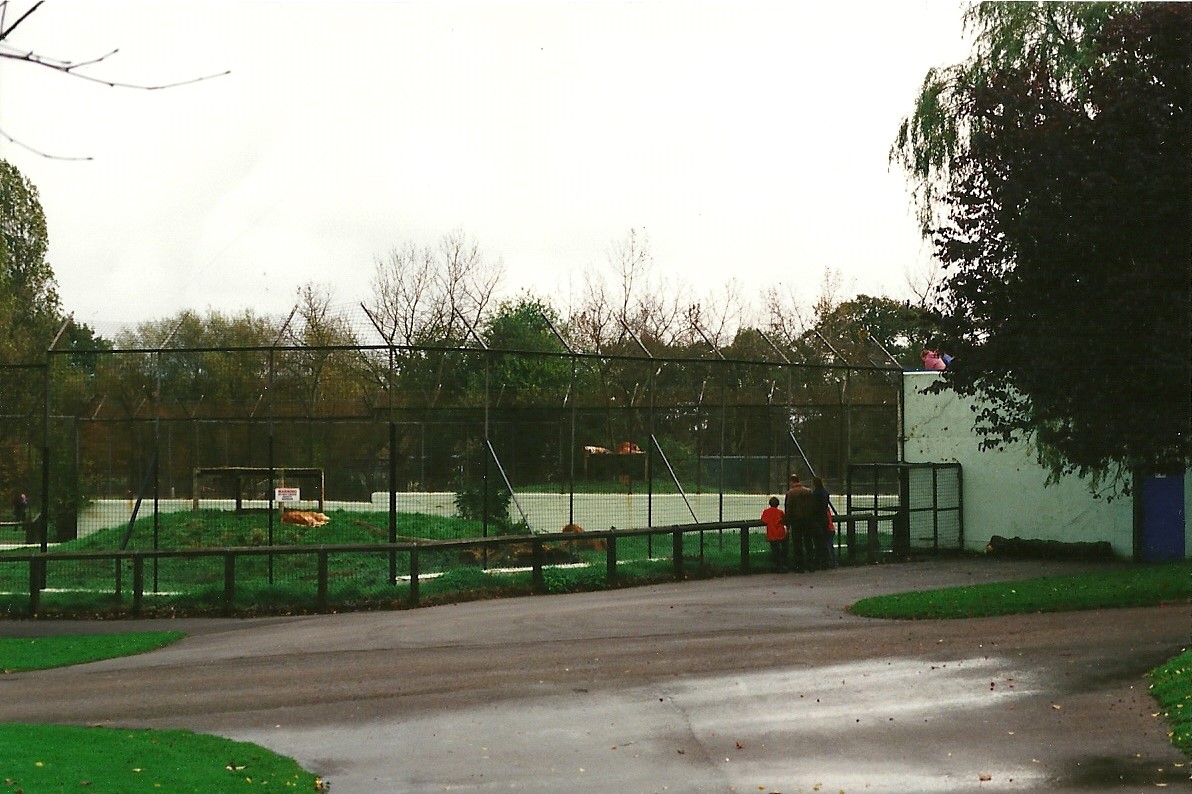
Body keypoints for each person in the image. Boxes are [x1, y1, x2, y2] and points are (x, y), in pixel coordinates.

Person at [784, 474, 816, 572]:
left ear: (791, 482)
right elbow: (813, 506)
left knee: (797, 543)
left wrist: (787, 523)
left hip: (796, 520)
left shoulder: (790, 493)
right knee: (808, 542)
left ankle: (799, 566)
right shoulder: (809, 491)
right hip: (808, 520)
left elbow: (788, 508)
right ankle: (811, 565)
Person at [811, 476, 834, 569]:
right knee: (824, 541)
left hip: (817, 519)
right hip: (824, 519)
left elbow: (814, 506)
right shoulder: (825, 492)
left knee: (818, 542)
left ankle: (819, 562)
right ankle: (826, 562)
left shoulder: (816, 493)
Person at [760, 496, 787, 572]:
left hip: (772, 533)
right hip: (780, 532)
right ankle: (783, 564)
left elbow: (763, 520)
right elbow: (784, 520)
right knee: (783, 548)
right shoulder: (780, 512)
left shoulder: (766, 512)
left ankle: (776, 565)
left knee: (775, 549)